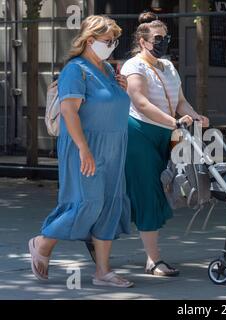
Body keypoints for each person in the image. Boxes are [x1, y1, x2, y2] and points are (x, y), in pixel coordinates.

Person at [28, 15, 134, 287]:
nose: (113, 45)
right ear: (90, 40)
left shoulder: (109, 71)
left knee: (110, 203)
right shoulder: (76, 70)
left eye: (115, 41)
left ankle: (103, 272)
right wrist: (84, 148)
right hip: (85, 146)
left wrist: (121, 91)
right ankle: (42, 242)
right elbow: (68, 111)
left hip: (114, 146)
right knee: (87, 203)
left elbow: (112, 105)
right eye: (108, 40)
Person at [120, 20, 209, 276]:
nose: (163, 42)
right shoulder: (133, 66)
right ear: (142, 41)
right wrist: (174, 122)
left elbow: (179, 101)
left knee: (160, 189)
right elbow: (140, 101)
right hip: (140, 133)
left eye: (165, 37)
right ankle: (153, 260)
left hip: (166, 135)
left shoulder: (168, 66)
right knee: (148, 192)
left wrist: (196, 115)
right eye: (157, 39)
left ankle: (97, 233)